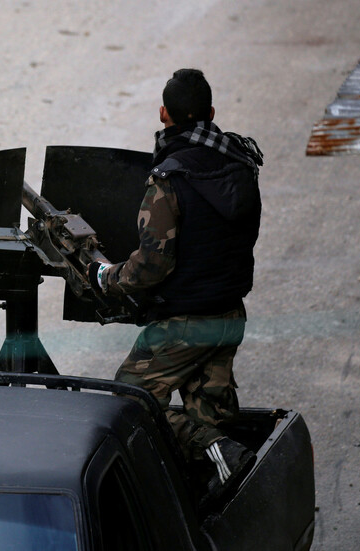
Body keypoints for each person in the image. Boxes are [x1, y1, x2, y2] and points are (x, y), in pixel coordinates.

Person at [88, 68, 264, 502]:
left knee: (129, 404)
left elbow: (151, 266)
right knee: (211, 414)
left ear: (163, 114)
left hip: (184, 323)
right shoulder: (241, 163)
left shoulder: (169, 180)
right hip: (229, 315)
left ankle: (216, 449)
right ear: (211, 113)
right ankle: (214, 485)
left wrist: (108, 277)